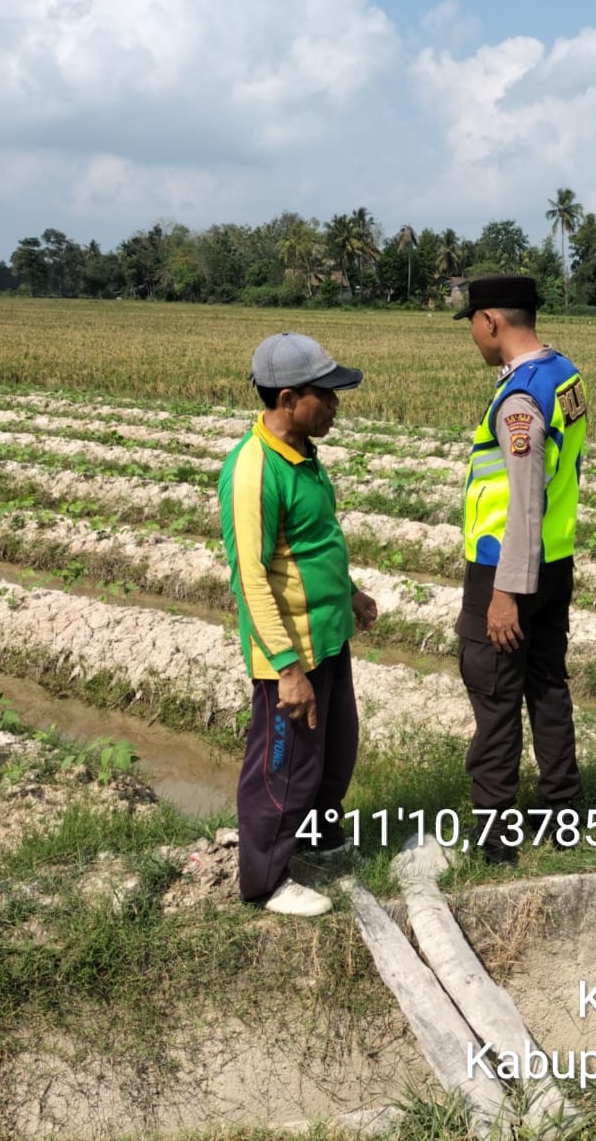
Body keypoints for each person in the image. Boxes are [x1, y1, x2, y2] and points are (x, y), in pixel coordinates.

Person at [218, 332, 378, 915]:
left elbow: (312, 544)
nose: (337, 404)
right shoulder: (253, 470)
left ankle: (320, 841)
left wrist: (351, 593)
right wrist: (286, 668)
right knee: (282, 768)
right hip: (291, 652)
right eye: (326, 394)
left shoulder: (305, 456)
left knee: (335, 752)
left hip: (329, 637)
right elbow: (252, 578)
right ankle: (264, 881)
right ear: (288, 399)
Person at [453, 275, 587, 865]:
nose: (476, 340)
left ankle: (496, 841)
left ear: (491, 322)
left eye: (474, 328)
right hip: (554, 562)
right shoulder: (564, 372)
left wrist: (504, 592)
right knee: (547, 688)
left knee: (496, 698)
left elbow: (525, 494)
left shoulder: (520, 397)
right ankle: (564, 814)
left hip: (507, 570)